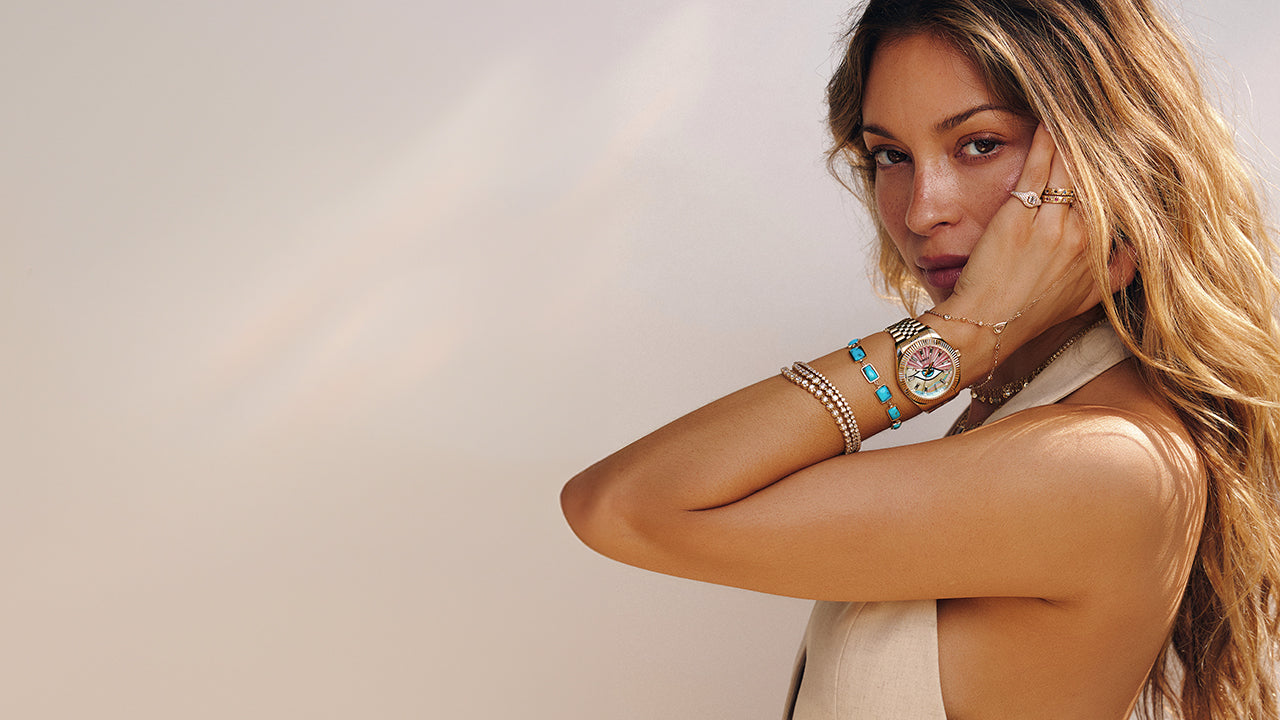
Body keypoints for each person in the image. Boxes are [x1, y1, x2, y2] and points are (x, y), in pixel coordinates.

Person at [560, 0, 1280, 717]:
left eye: (979, 144)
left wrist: (958, 336)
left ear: (1102, 157)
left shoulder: (1108, 462)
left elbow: (623, 506)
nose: (921, 210)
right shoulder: (1029, 400)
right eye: (891, 156)